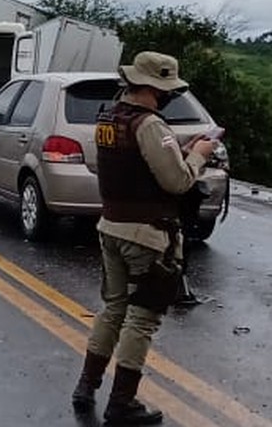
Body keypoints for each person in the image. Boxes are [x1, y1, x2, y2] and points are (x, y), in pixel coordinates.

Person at [71, 51, 215, 425]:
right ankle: (122, 402)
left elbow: (125, 165)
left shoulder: (110, 118)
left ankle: (86, 387)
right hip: (147, 235)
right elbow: (178, 182)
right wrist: (198, 156)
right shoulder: (150, 125)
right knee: (142, 319)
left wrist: (179, 153)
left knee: (113, 309)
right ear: (154, 88)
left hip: (110, 226)